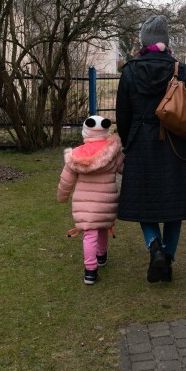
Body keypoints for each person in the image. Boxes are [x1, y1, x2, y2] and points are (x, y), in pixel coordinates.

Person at [115, 15, 186, 283]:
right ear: (166, 42)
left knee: (143, 203)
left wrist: (127, 145)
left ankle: (155, 248)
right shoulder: (182, 71)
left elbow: (122, 115)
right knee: (175, 205)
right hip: (177, 145)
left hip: (141, 146)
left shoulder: (129, 71)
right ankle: (167, 258)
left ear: (143, 42)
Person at [57, 115, 125, 285]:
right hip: (107, 199)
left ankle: (90, 271)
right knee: (102, 226)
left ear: (85, 131)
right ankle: (102, 255)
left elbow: (66, 180)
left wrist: (62, 196)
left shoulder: (76, 155)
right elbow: (125, 169)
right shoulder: (114, 152)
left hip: (84, 203)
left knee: (89, 234)